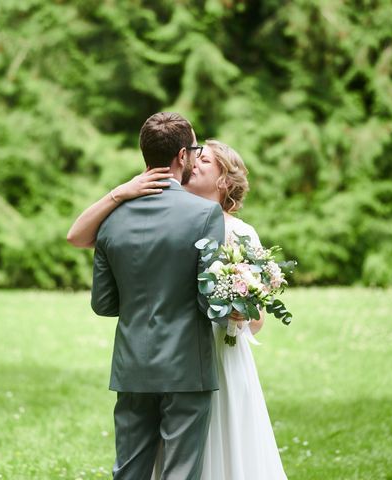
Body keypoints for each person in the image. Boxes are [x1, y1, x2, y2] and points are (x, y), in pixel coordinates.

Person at [68, 130, 288, 479]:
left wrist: (239, 312)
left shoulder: (241, 233)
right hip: (181, 360)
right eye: (194, 156)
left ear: (223, 180)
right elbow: (80, 238)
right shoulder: (158, 213)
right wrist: (120, 192)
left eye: (205, 160)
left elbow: (257, 318)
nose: (195, 162)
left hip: (216, 354)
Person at [83, 112, 226, 479]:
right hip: (186, 366)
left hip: (132, 366)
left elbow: (103, 304)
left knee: (128, 471)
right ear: (182, 156)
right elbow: (209, 301)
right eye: (194, 150)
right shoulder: (206, 214)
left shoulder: (111, 219)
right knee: (180, 472)